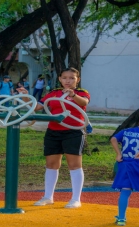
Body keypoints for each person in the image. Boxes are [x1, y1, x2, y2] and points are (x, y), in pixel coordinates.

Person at [17, 67, 90, 209]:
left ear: (77, 80)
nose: (67, 81)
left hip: (73, 131)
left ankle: (76, 199)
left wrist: (73, 95)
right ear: (60, 79)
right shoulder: (53, 93)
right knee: (51, 164)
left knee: (74, 165)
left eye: (71, 78)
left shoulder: (82, 93)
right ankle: (48, 196)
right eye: (64, 78)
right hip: (54, 131)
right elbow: (37, 107)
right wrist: (26, 97)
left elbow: (84, 103)